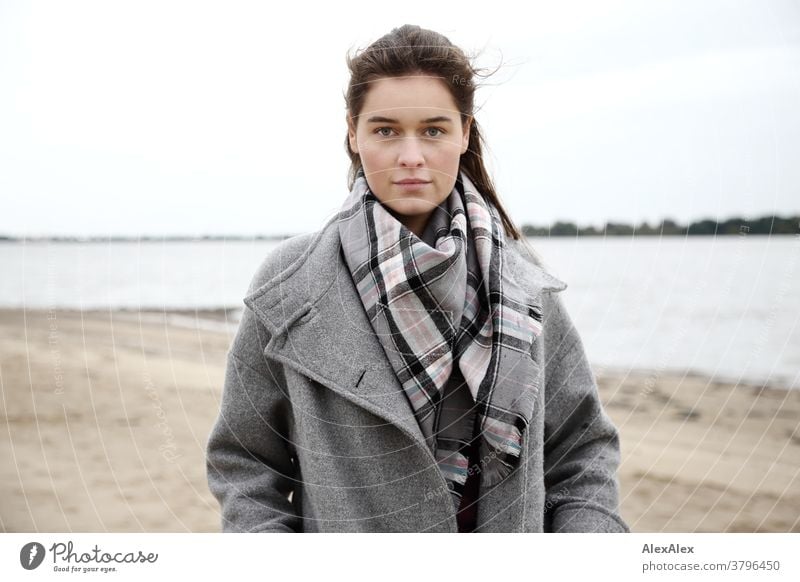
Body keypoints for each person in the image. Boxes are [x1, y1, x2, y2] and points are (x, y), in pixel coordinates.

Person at [205, 24, 629, 533]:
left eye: (433, 130)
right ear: (353, 132)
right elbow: (246, 462)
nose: (411, 157)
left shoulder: (521, 282)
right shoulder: (291, 285)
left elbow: (580, 453)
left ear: (464, 132)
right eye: (385, 130)